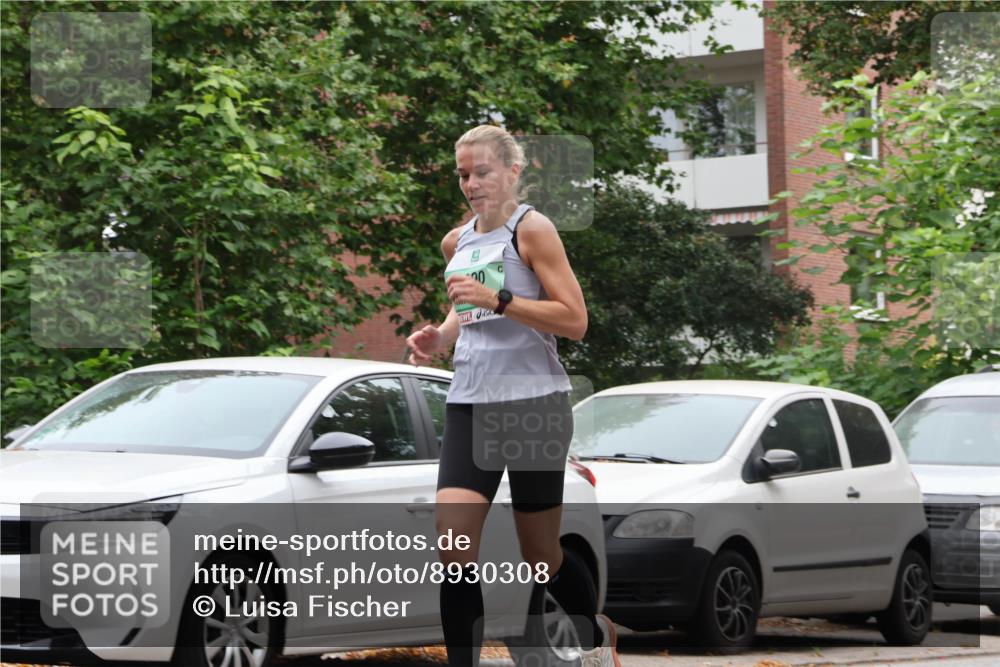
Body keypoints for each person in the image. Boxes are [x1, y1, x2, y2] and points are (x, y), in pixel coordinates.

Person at [406, 125, 620, 667]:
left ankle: (595, 641)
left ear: (512, 171)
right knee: (453, 549)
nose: (471, 184)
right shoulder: (457, 242)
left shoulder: (534, 230)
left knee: (540, 556)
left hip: (534, 406)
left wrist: (501, 299)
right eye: (463, 175)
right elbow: (466, 309)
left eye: (482, 172)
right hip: (470, 404)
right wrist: (440, 335)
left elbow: (574, 320)